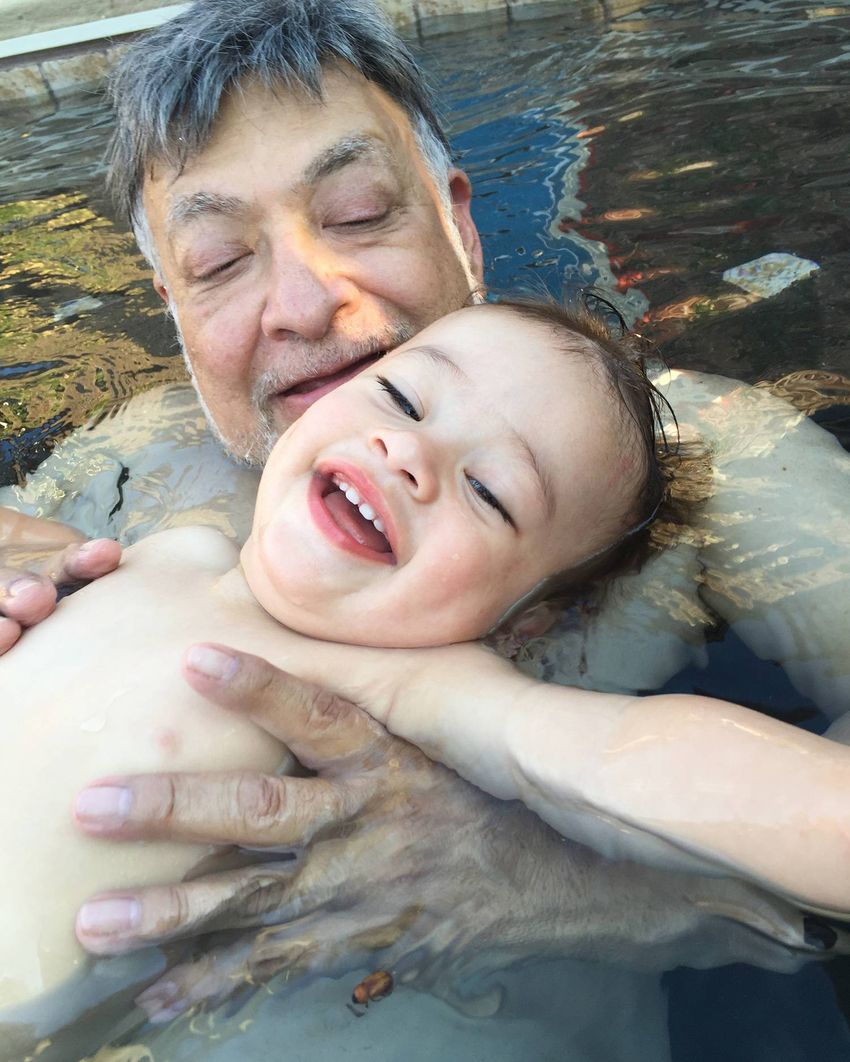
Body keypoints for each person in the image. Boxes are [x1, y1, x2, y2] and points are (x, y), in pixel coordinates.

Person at [1, 0, 848, 1003]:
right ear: (172, 305)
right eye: (220, 263)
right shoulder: (129, 461)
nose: (306, 303)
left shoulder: (705, 453)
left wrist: (601, 894)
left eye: (359, 214)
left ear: (460, 220)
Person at [4, 299, 848, 1026]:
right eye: (401, 396)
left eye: (491, 492)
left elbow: (677, 772)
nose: (408, 452)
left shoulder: (415, 686)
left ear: (525, 623)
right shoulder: (161, 545)